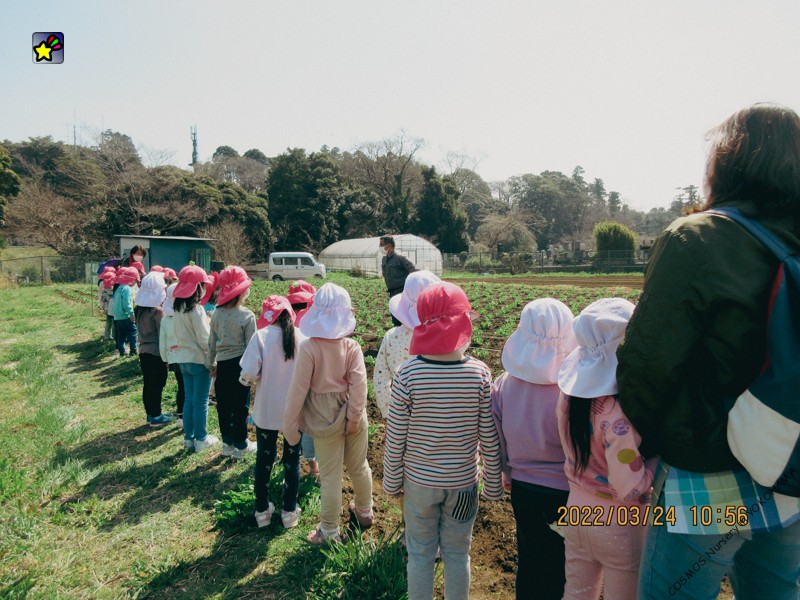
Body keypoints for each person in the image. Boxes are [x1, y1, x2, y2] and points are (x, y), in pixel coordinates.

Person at [616, 103, 800, 600]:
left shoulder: (699, 239)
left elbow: (646, 366)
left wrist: (658, 441)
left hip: (710, 475)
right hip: (791, 468)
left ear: (730, 165)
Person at [383, 281, 503, 600]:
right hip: (463, 484)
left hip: (420, 485)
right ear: (463, 325)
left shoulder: (408, 375)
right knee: (457, 554)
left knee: (420, 554)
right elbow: (488, 435)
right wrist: (492, 483)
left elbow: (395, 437)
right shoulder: (479, 374)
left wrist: (392, 482)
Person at [556, 298, 657, 600]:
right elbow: (629, 487)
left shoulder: (567, 399)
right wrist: (654, 463)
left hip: (576, 511)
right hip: (619, 524)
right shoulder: (616, 417)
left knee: (576, 592)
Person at [491, 298, 577, 600]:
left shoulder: (504, 384)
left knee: (530, 557)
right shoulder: (575, 386)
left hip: (525, 489)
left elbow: (496, 436)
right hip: (570, 492)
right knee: (568, 566)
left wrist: (505, 472)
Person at [283, 283, 373, 545]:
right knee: (359, 465)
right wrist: (355, 417)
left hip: (323, 417)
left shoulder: (310, 348)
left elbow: (297, 391)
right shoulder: (352, 347)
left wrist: (290, 427)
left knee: (331, 475)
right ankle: (365, 511)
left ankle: (329, 531)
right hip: (351, 409)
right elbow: (360, 385)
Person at [240, 296, 308, 528]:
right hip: (295, 413)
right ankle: (289, 511)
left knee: (264, 458)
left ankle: (262, 511)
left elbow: (248, 374)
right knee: (292, 460)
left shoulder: (261, 336)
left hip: (267, 411)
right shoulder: (302, 338)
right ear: (290, 314)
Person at [373, 269, 440, 419]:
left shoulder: (392, 336)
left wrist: (387, 412)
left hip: (399, 416)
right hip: (434, 417)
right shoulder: (441, 339)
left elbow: (380, 377)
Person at [208, 266, 257, 459]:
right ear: (242, 291)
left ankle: (227, 444)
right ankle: (241, 444)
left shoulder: (217, 313)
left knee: (224, 407)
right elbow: (252, 347)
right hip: (240, 366)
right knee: (240, 407)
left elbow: (211, 342)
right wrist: (254, 371)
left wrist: (210, 364)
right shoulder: (247, 316)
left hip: (222, 365)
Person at [172, 265, 219, 452]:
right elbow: (204, 339)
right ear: (197, 287)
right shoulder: (196, 309)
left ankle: (189, 438)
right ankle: (201, 439)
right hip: (199, 360)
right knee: (201, 401)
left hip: (183, 358)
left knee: (189, 400)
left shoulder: (178, 307)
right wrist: (213, 358)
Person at [286, 280, 319, 480]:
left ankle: (295, 459)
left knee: (293, 421)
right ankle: (314, 466)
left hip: (291, 384)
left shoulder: (287, 323)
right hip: (310, 383)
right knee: (309, 425)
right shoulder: (312, 324)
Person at [135, 272, 175, 427]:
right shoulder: (158, 312)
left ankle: (150, 414)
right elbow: (162, 335)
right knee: (158, 384)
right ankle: (157, 415)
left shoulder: (140, 309)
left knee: (149, 384)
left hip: (143, 351)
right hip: (156, 352)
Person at [159, 283, 185, 426]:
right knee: (187, 387)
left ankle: (180, 415)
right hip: (187, 356)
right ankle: (185, 416)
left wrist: (165, 359)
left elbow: (162, 343)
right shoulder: (185, 317)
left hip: (173, 357)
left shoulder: (165, 319)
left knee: (181, 386)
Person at [379, 235, 417, 327]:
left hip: (402, 291)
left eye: (381, 244)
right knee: (395, 314)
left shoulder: (400, 257)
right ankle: (398, 333)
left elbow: (414, 270)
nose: (380, 247)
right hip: (392, 291)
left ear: (389, 245)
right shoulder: (384, 259)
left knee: (404, 315)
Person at [112, 267, 140, 357]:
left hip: (117, 316)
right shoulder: (127, 289)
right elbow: (127, 304)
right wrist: (132, 314)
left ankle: (122, 352)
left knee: (121, 335)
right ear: (132, 280)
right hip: (126, 315)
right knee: (133, 332)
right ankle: (133, 351)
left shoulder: (119, 288)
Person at [98, 268, 116, 341]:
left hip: (106, 307)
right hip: (112, 308)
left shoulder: (102, 286)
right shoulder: (112, 290)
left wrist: (102, 306)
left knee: (108, 321)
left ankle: (107, 335)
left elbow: (102, 298)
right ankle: (114, 336)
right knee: (114, 322)